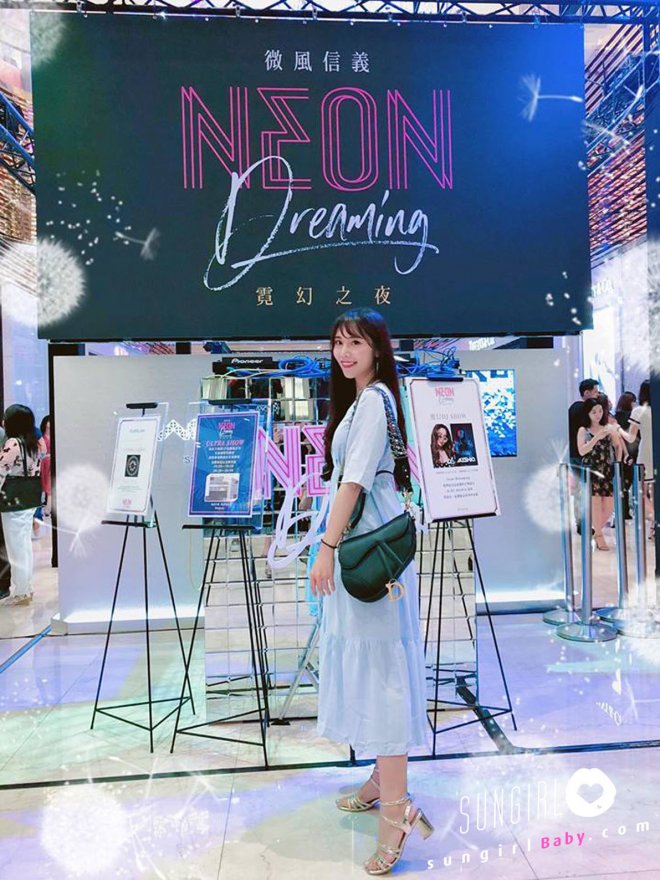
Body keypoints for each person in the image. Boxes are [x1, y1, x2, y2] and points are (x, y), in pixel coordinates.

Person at [310, 308, 433, 876]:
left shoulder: (374, 400)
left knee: (382, 677)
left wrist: (326, 546)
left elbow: (354, 481)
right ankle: (380, 782)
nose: (344, 352)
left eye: (355, 342)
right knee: (376, 664)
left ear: (378, 349)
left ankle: (396, 813)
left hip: (364, 552)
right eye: (338, 343)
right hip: (369, 547)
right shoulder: (366, 401)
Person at [0, 404, 41, 606]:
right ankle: (26, 588)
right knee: (24, 546)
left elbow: (1, 469)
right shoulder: (34, 443)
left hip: (12, 501)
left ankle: (22, 592)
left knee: (16, 548)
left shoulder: (13, 443)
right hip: (28, 499)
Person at [577, 398, 621, 551]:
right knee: (595, 503)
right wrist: (596, 438)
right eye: (594, 412)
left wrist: (617, 462)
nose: (598, 414)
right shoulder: (583, 430)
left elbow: (618, 446)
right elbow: (582, 451)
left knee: (609, 505)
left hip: (607, 469)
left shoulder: (608, 428)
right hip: (591, 469)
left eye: (600, 411)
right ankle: (600, 535)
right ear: (587, 413)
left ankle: (596, 531)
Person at [568, 379, 600, 532]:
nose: (597, 395)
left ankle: (581, 522)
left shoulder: (573, 408)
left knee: (579, 490)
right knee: (584, 489)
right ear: (586, 392)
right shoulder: (583, 410)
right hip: (584, 454)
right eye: (595, 392)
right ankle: (584, 522)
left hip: (574, 452)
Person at [625, 381, 654, 539]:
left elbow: (631, 437)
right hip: (655, 452)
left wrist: (617, 429)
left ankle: (655, 520)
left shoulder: (638, 411)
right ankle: (654, 526)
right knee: (654, 491)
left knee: (641, 491)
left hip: (646, 452)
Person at [614, 392, 638, 520]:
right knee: (634, 481)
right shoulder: (632, 416)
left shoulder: (616, 417)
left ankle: (623, 511)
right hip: (633, 450)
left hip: (620, 451)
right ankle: (633, 510)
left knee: (623, 482)